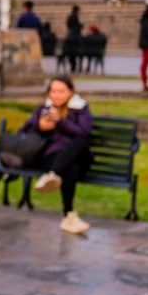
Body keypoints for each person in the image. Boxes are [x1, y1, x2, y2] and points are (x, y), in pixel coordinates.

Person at [22, 75, 94, 234]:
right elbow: (24, 132)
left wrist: (61, 121)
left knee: (79, 142)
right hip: (54, 157)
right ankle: (69, 216)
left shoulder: (80, 109)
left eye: (61, 91)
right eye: (53, 91)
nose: (56, 95)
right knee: (70, 169)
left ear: (70, 92)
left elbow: (84, 132)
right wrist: (40, 127)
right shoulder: (43, 109)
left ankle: (53, 174)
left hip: (80, 156)